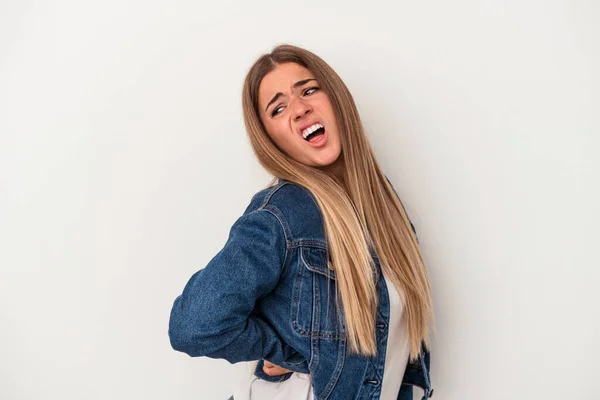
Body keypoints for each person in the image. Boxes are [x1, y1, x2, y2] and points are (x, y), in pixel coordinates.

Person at [168, 44, 435, 400]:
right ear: (272, 140)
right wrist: (288, 351)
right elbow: (194, 325)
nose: (299, 109)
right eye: (278, 108)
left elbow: (394, 356)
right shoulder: (282, 215)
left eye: (308, 90)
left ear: (336, 100)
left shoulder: (386, 212)